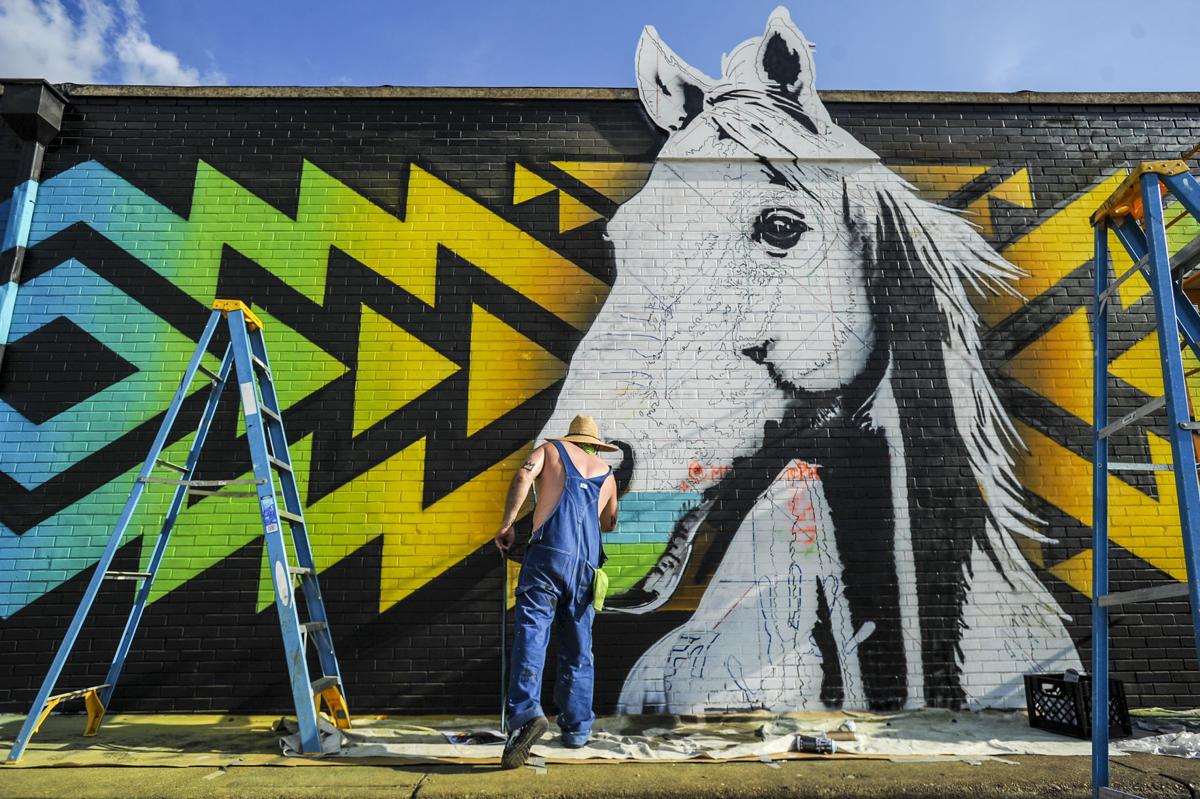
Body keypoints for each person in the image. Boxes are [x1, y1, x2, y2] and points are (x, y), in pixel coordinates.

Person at [494, 415, 620, 769]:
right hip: (586, 568)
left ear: (570, 438)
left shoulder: (549, 451)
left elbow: (524, 476)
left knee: (532, 634)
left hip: (548, 556)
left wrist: (508, 524)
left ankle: (526, 715)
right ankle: (577, 729)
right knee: (578, 649)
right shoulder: (607, 474)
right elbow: (609, 523)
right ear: (594, 446)